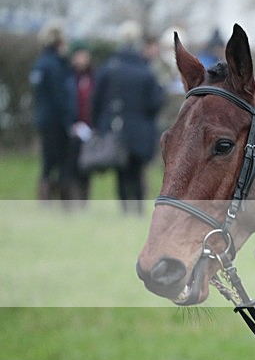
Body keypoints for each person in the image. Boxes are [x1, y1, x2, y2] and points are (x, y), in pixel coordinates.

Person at [92, 20, 164, 215]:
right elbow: (155, 103)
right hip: (141, 130)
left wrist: (98, 125)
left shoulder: (109, 68)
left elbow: (96, 100)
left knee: (121, 173)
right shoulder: (146, 71)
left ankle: (124, 209)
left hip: (117, 128)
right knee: (137, 170)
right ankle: (138, 209)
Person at [29, 20, 72, 204]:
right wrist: (68, 120)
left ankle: (45, 198)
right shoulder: (56, 65)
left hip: (44, 118)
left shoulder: (40, 64)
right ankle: (60, 201)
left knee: (47, 162)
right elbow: (59, 97)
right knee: (61, 161)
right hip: (56, 121)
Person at [64, 41, 94, 207]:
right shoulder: (68, 78)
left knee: (86, 168)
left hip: (89, 130)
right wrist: (70, 124)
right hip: (73, 129)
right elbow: (63, 104)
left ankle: (84, 202)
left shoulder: (92, 78)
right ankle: (70, 202)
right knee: (71, 167)